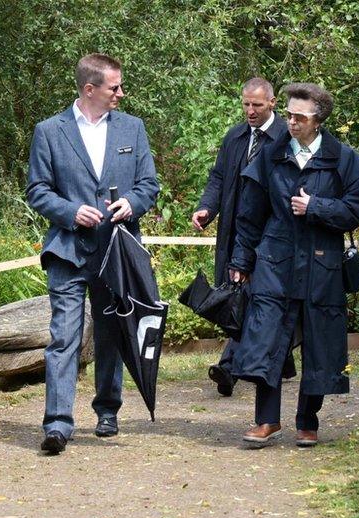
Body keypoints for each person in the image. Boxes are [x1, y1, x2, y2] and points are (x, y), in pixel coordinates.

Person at [228, 83, 359, 447]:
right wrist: (241, 259)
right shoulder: (270, 154)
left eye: (299, 116)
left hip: (322, 264)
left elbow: (357, 211)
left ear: (318, 119)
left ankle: (308, 421)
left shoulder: (343, 158)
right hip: (275, 259)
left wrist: (317, 208)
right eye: (289, 114)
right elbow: (250, 213)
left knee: (320, 340)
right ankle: (266, 420)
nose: (290, 121)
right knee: (267, 336)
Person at [26, 53, 159, 455]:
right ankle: (57, 424)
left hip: (116, 252)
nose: (120, 93)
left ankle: (107, 410)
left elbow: (149, 184)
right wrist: (69, 212)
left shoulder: (133, 128)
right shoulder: (49, 131)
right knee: (63, 337)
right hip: (68, 251)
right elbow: (37, 190)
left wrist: (132, 204)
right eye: (113, 87)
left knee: (110, 334)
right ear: (90, 89)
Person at [191, 77, 290, 397]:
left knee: (255, 295)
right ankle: (283, 358)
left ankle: (229, 367)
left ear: (272, 103)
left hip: (270, 234)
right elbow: (218, 178)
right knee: (238, 293)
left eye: (257, 105)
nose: (250, 110)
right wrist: (207, 209)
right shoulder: (235, 137)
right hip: (234, 231)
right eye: (246, 104)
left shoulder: (286, 138)